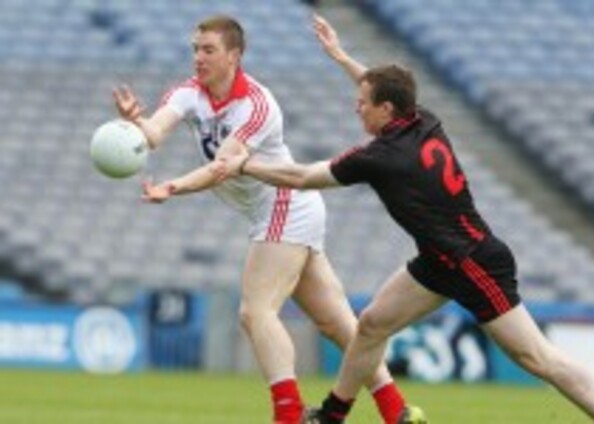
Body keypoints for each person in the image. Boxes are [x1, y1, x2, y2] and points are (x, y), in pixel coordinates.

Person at [213, 15, 594, 424]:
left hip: (472, 262)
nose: (356, 110)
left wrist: (244, 164)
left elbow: (303, 176)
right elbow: (381, 88)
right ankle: (332, 415)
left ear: (387, 110)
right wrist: (342, 58)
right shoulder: (422, 119)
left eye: (363, 106)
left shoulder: (381, 157)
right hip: (439, 259)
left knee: (535, 357)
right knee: (372, 325)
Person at [112, 14, 424, 424]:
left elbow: (222, 167)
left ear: (234, 55)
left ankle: (288, 415)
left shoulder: (257, 105)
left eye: (208, 50)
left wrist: (171, 188)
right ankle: (397, 413)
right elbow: (155, 133)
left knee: (255, 312)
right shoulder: (190, 92)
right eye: (195, 49)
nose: (198, 58)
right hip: (286, 209)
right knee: (338, 324)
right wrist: (137, 123)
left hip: (286, 203)